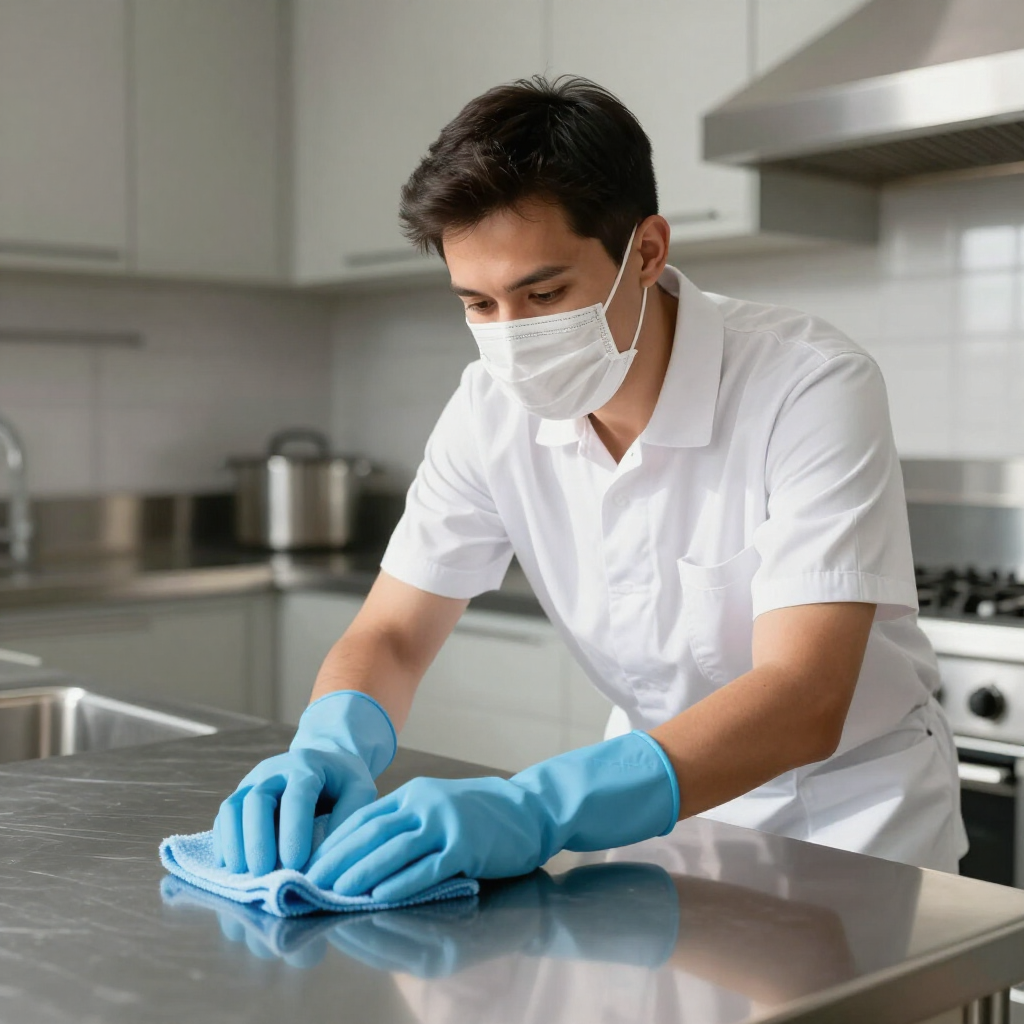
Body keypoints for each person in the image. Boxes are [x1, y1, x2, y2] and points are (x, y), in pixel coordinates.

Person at [211, 76, 966, 899]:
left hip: (847, 822)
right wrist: (327, 746)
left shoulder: (809, 385)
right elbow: (393, 631)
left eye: (543, 294)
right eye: (478, 303)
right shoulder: (486, 409)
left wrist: (538, 806)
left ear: (646, 252)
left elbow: (804, 695)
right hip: (648, 813)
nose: (511, 339)